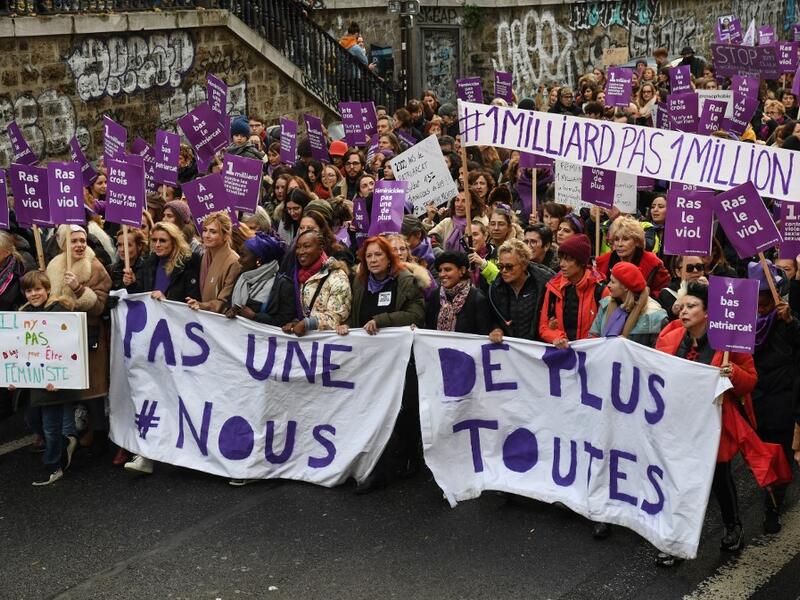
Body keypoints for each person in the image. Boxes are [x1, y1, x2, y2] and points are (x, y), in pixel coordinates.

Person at [654, 282, 756, 566]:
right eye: (682, 306)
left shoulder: (728, 344)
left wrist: (732, 371)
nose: (683, 311)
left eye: (691, 306)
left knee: (719, 481)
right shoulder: (673, 338)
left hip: (713, 426)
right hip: (679, 424)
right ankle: (674, 542)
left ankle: (732, 525)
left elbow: (750, 381)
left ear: (708, 313)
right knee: (678, 483)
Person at [337, 236, 425, 491]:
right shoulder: (360, 282)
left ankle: (410, 456)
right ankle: (377, 468)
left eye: (378, 255)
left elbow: (417, 314)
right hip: (369, 361)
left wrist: (383, 319)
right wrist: (346, 327)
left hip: (400, 360)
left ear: (389, 258)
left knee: (404, 410)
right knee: (373, 410)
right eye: (369, 256)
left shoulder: (405, 281)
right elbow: (355, 316)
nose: (373, 260)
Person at [46, 225, 112, 455]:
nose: (79, 245)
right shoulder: (54, 265)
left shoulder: (94, 267)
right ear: (63, 243)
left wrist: (78, 288)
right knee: (68, 387)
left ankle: (100, 435)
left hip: (88, 334)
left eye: (82, 240)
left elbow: (99, 305)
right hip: (61, 336)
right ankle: (70, 433)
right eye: (73, 240)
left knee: (93, 389)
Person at [13, 271, 78, 485]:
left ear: (48, 289)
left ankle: (54, 466)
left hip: (53, 382)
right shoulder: (21, 316)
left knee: (50, 426)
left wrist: (61, 378)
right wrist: (13, 376)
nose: (34, 294)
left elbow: (67, 348)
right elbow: (17, 350)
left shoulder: (59, 312)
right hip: (33, 382)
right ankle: (64, 442)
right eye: (29, 290)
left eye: (38, 289)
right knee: (33, 421)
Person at [748, 261, 800, 534]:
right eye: (756, 299)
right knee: (760, 451)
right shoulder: (744, 322)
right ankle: (769, 490)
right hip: (754, 398)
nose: (760, 306)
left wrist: (791, 322)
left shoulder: (786, 319)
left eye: (765, 299)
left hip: (781, 399)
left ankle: (774, 505)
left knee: (778, 452)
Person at [538, 234, 607, 347]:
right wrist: (557, 338)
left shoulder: (600, 290)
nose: (561, 264)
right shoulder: (553, 287)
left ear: (581, 262)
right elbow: (543, 326)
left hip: (591, 355)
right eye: (561, 259)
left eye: (568, 260)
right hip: (562, 355)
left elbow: (606, 330)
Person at [282, 229, 351, 336]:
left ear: (320, 249)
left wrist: (307, 324)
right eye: (298, 247)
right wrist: (296, 323)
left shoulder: (337, 278)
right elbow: (308, 311)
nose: (300, 252)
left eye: (306, 246)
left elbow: (336, 319)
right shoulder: (300, 277)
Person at [589, 262, 668, 347]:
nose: (608, 285)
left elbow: (658, 353)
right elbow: (594, 336)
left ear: (626, 287)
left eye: (612, 282)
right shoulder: (606, 304)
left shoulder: (655, 316)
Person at [488, 239, 551, 342]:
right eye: (500, 266)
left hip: (538, 350)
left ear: (524, 265)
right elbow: (492, 317)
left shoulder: (543, 285)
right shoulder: (496, 287)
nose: (504, 271)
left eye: (509, 266)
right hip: (511, 351)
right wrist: (496, 329)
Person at [122, 221, 201, 302]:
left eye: (162, 241)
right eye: (154, 240)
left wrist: (166, 301)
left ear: (174, 242)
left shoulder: (190, 261)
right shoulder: (148, 263)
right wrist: (132, 283)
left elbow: (192, 300)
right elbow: (141, 298)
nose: (157, 245)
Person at [596, 216, 670, 297]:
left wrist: (645, 298)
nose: (619, 244)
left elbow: (663, 292)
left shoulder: (653, 263)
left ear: (637, 241)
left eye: (625, 239)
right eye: (616, 239)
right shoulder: (603, 261)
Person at [186, 212, 241, 314]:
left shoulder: (234, 262)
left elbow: (224, 301)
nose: (207, 235)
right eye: (205, 230)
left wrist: (202, 305)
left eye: (213, 232)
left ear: (225, 235)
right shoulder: (204, 255)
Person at [426, 251, 492, 335]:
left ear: (462, 270)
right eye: (440, 270)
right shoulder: (435, 296)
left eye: (447, 269)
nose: (442, 274)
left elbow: (483, 334)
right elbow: (428, 328)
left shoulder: (477, 299)